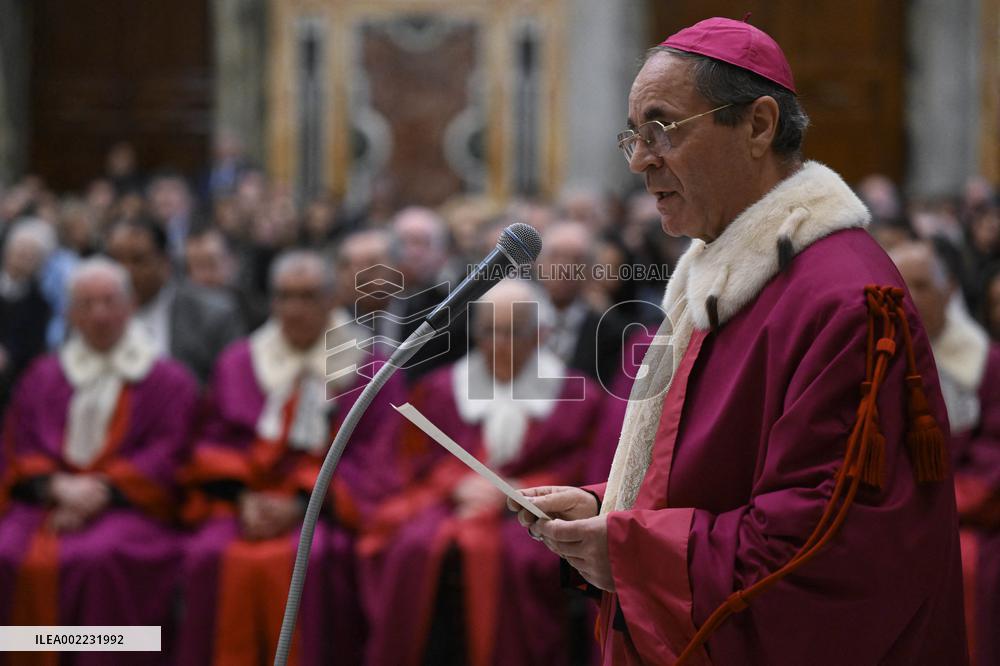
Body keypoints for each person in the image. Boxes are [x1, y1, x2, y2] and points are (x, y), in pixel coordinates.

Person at [510, 17, 966, 665]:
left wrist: (631, 550)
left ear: (757, 126)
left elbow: (821, 545)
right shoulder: (718, 271)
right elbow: (709, 476)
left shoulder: (843, 297)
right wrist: (605, 509)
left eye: (662, 129)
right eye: (633, 137)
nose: (641, 161)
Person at [359, 279, 604, 666]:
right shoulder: (441, 388)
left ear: (541, 334)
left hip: (532, 518)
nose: (496, 343)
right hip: (449, 504)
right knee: (411, 545)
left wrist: (526, 490)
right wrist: (453, 484)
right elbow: (402, 464)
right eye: (488, 330)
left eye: (511, 332)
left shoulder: (579, 395)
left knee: (520, 561)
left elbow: (589, 467)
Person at [176, 250, 404, 666]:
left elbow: (380, 458)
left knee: (312, 561)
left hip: (322, 510)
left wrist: (301, 502)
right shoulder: (239, 362)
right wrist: (243, 497)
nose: (295, 308)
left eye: (308, 296)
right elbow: (214, 440)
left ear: (331, 297)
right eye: (285, 296)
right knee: (207, 553)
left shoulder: (371, 367)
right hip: (245, 505)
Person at [0, 258, 198, 663]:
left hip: (131, 507)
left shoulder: (166, 379)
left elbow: (169, 452)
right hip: (49, 501)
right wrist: (56, 487)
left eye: (109, 301)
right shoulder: (44, 375)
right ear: (69, 313)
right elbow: (20, 444)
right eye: (87, 304)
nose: (99, 314)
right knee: (7, 552)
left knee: (99, 559)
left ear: (129, 307)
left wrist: (103, 490)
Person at [891, 241, 1000, 665]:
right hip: (894, 517)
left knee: (971, 566)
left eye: (921, 285)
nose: (910, 299)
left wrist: (924, 509)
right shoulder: (875, 361)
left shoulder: (986, 365)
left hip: (967, 520)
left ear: (949, 289)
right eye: (900, 286)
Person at [106, 217, 244, 383]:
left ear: (164, 262)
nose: (124, 271)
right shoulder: (91, 314)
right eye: (115, 260)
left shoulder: (213, 315)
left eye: (138, 260)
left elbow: (230, 387)